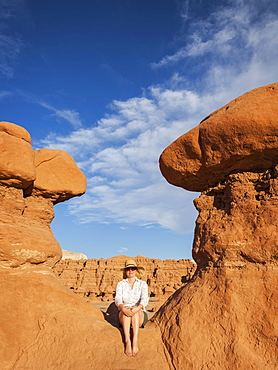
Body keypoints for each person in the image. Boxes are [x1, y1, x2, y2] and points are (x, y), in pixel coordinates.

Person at [115, 259, 149, 357]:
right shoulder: (120, 284)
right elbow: (118, 299)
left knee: (135, 312)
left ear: (136, 270)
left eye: (133, 268)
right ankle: (127, 341)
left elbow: (144, 300)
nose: (131, 271)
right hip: (124, 313)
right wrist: (123, 308)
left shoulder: (142, 284)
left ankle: (135, 341)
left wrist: (137, 308)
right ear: (125, 271)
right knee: (126, 312)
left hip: (139, 313)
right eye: (128, 269)